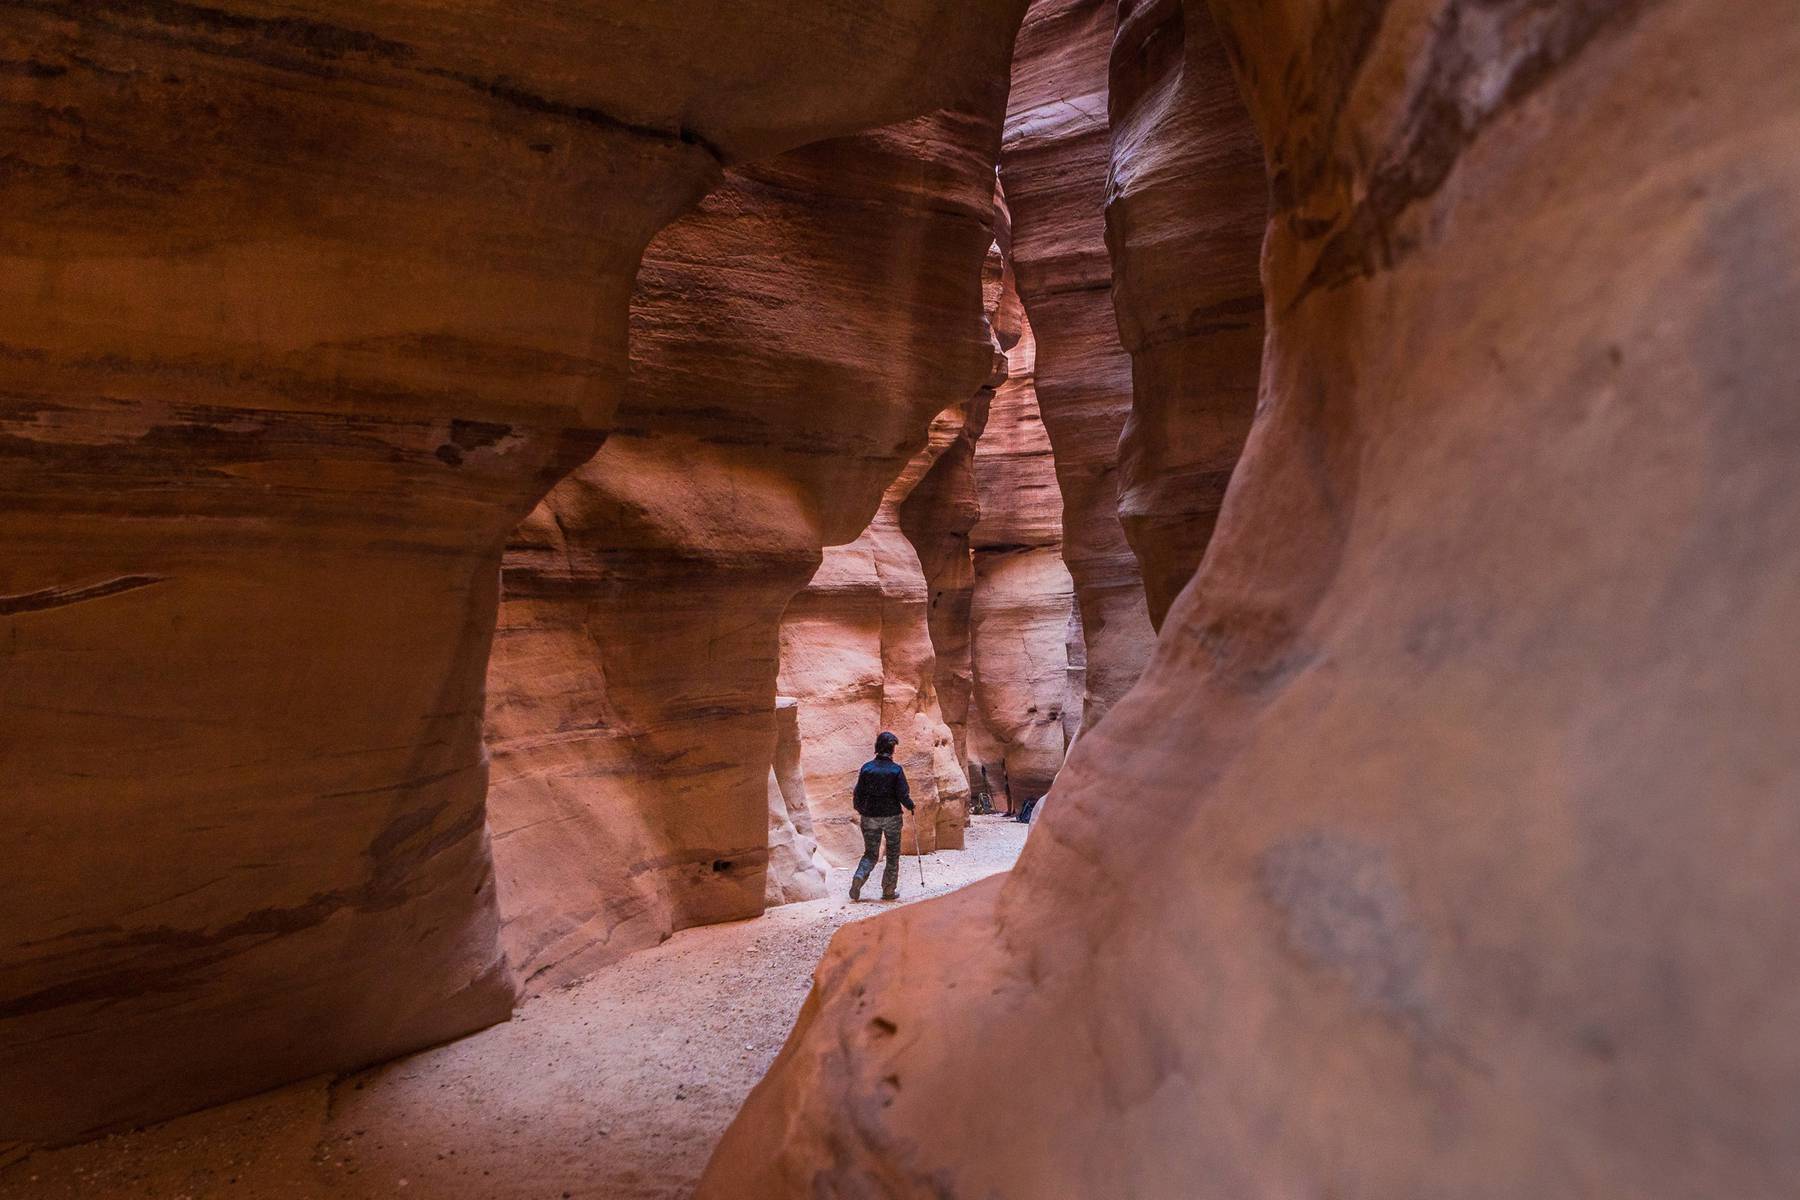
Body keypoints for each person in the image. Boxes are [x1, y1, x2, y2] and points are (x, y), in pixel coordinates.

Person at [849, 730, 913, 901]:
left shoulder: (867, 768)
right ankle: (888, 891)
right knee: (892, 854)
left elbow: (858, 793)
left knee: (870, 853)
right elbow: (903, 794)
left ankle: (859, 877)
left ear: (877, 747)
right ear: (892, 750)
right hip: (892, 816)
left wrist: (860, 809)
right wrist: (910, 806)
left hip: (869, 817)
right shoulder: (896, 770)